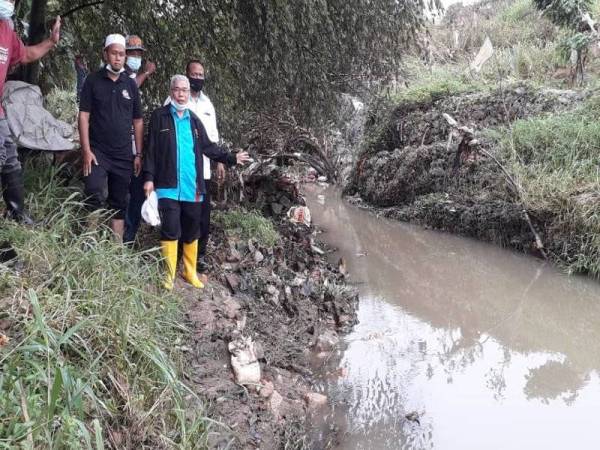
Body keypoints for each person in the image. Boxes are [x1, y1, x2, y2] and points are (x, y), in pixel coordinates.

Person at [144, 75, 249, 290]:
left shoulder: (193, 120)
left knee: (192, 230)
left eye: (184, 90)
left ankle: (189, 271)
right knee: (171, 229)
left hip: (193, 187)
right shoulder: (159, 117)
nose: (181, 94)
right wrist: (148, 178)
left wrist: (231, 158)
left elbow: (209, 148)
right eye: (177, 90)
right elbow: (151, 150)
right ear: (171, 91)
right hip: (168, 186)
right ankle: (168, 275)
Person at [78, 34, 143, 241]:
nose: (118, 58)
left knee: (119, 201)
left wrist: (138, 154)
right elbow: (84, 116)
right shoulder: (93, 80)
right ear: (105, 54)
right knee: (94, 192)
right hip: (97, 151)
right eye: (114, 53)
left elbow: (138, 121)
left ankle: (116, 252)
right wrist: (86, 150)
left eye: (121, 54)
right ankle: (89, 243)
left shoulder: (130, 85)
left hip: (123, 153)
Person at [0, 2, 61, 224]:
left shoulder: (7, 30)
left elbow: (26, 54)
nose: (8, 3)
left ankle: (18, 215)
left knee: (11, 162)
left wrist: (51, 42)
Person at [164, 59, 224, 272]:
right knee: (179, 214)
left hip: (203, 170)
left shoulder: (208, 104)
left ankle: (199, 257)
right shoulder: (175, 101)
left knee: (201, 217)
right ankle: (175, 257)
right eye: (194, 74)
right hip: (180, 171)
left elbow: (213, 137)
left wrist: (220, 162)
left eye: (201, 75)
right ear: (186, 75)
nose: (198, 78)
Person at [122, 34, 156, 244]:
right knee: (120, 192)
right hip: (118, 146)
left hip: (135, 147)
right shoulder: (119, 76)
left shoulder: (133, 75)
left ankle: (129, 236)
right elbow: (131, 87)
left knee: (136, 192)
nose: (135, 56)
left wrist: (140, 152)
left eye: (138, 53)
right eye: (132, 53)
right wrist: (146, 73)